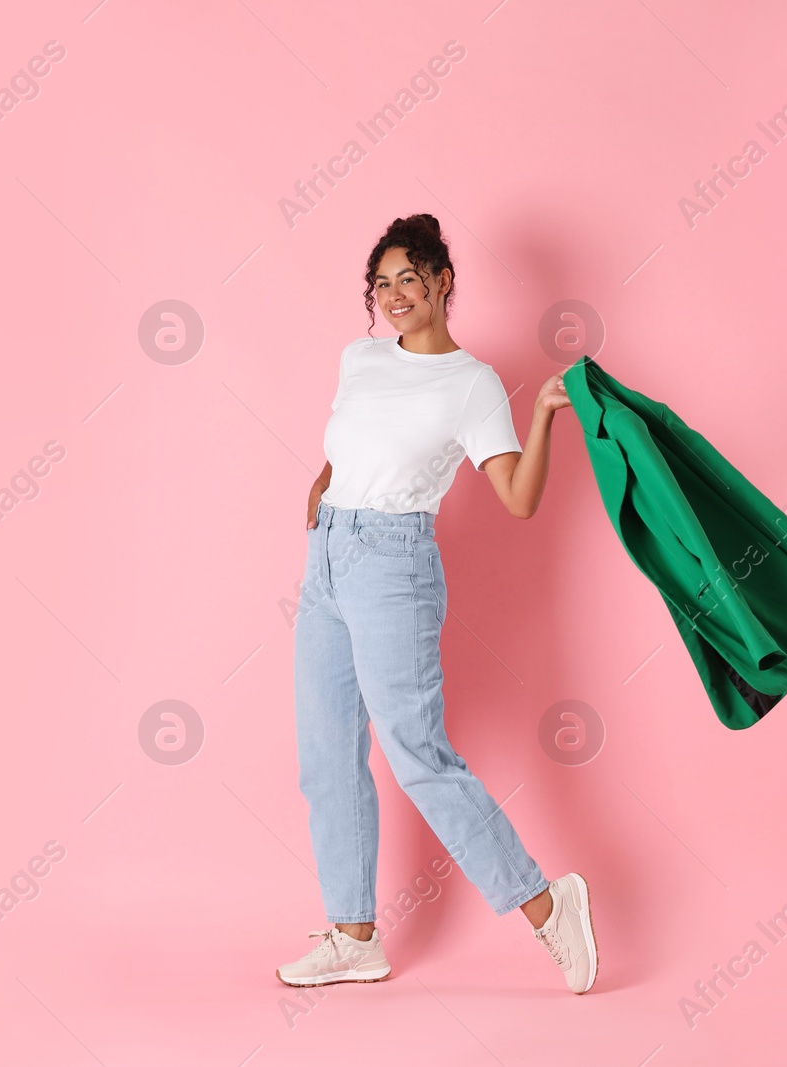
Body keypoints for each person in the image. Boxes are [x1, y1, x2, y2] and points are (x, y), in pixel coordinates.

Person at [277, 213, 599, 994]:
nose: (393, 296)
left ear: (442, 282)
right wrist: (324, 491)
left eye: (407, 280)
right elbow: (349, 442)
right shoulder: (359, 357)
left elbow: (519, 498)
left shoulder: (471, 383)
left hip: (395, 566)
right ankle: (354, 935)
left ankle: (545, 903)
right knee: (326, 757)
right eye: (381, 285)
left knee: (419, 756)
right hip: (328, 563)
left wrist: (546, 416)